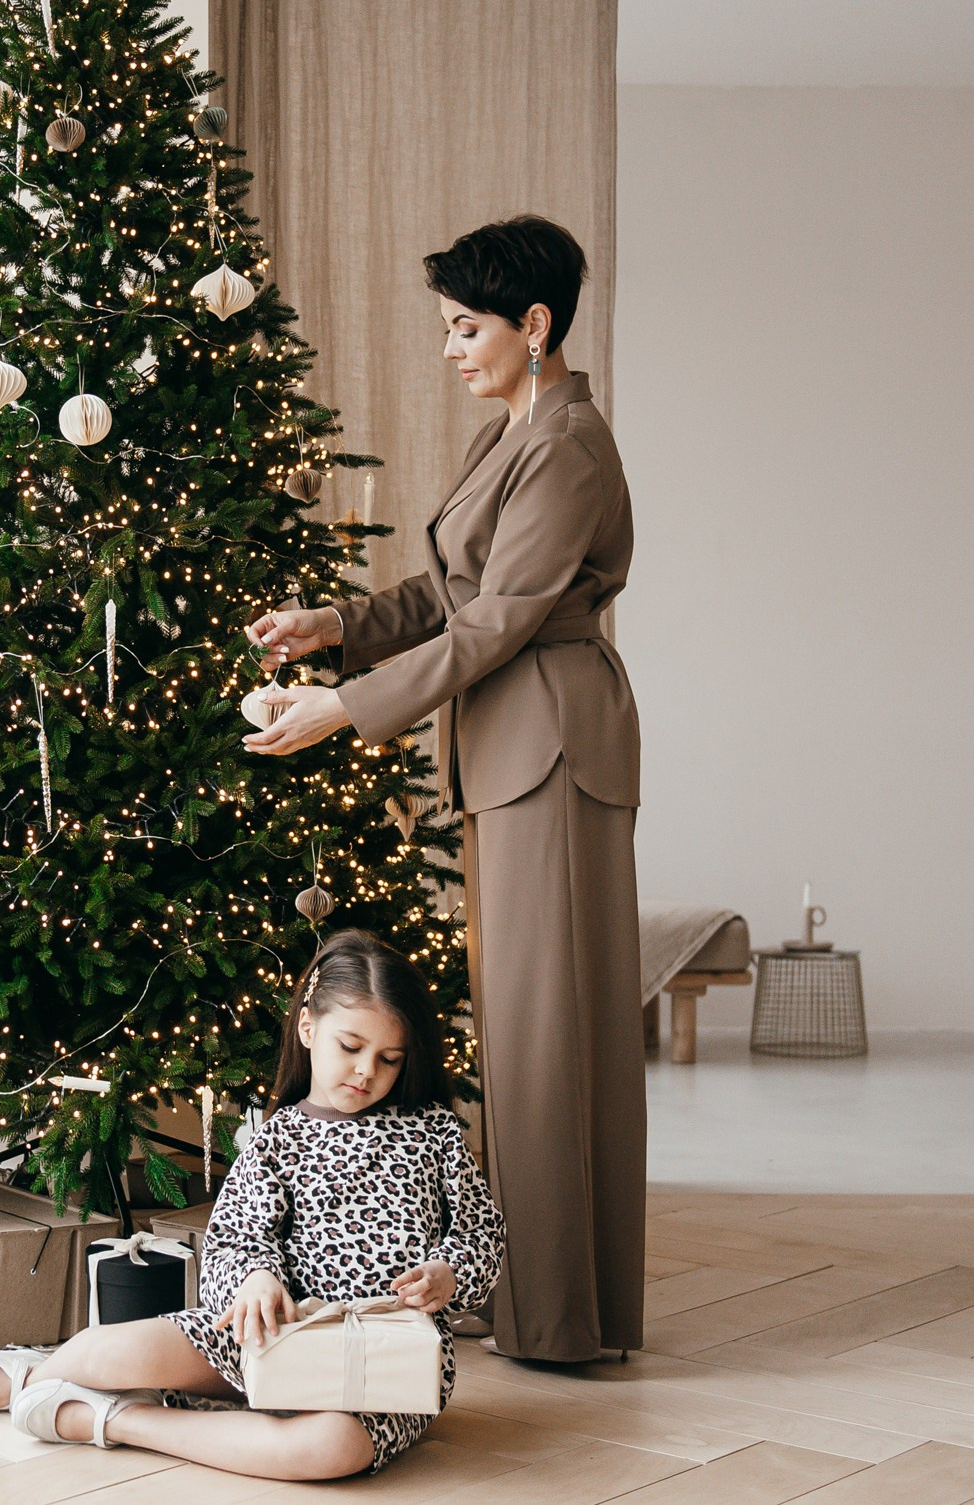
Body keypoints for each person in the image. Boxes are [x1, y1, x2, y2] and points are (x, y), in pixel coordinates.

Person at [241, 215, 643, 1363]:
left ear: (536, 323)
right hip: (516, 747)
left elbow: (500, 621)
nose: (454, 349)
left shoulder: (567, 445)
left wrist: (345, 708)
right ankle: (542, 1298)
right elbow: (448, 589)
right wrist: (337, 627)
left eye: (468, 329)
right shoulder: (516, 430)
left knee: (548, 1035)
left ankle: (560, 1317)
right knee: (525, 1033)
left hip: (551, 746)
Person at [0, 931, 503, 1480]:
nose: (365, 1071)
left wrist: (449, 1271)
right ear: (307, 1028)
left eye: (389, 1058)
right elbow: (234, 1239)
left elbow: (484, 1234)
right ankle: (37, 1378)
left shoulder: (435, 1133)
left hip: (387, 1360)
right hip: (274, 1335)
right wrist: (254, 1281)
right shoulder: (277, 1139)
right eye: (350, 1047)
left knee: (329, 1449)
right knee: (106, 1346)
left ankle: (120, 1419)